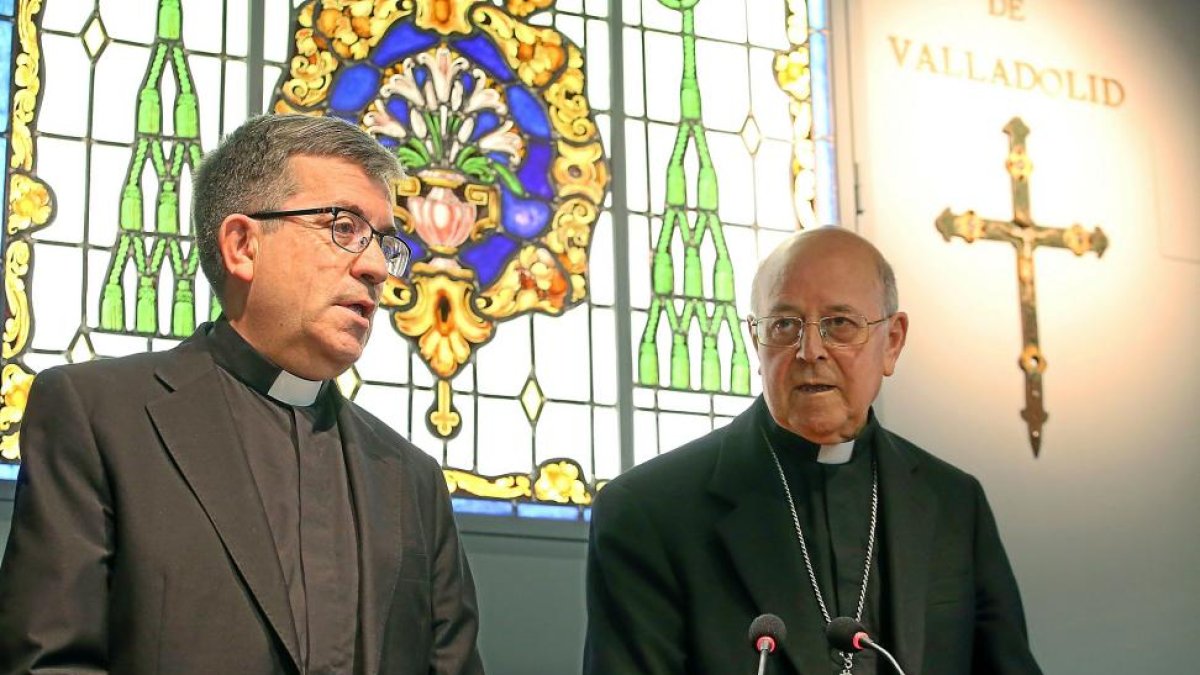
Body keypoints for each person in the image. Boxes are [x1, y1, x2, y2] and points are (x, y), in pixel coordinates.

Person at [0, 114, 485, 674]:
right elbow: (51, 662)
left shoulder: (411, 478)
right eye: (344, 228)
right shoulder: (102, 417)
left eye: (383, 243)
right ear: (242, 245)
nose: (377, 266)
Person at [584, 227, 1042, 674]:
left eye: (840, 324)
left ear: (893, 342)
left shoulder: (955, 504)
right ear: (755, 341)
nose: (810, 350)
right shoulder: (650, 511)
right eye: (783, 325)